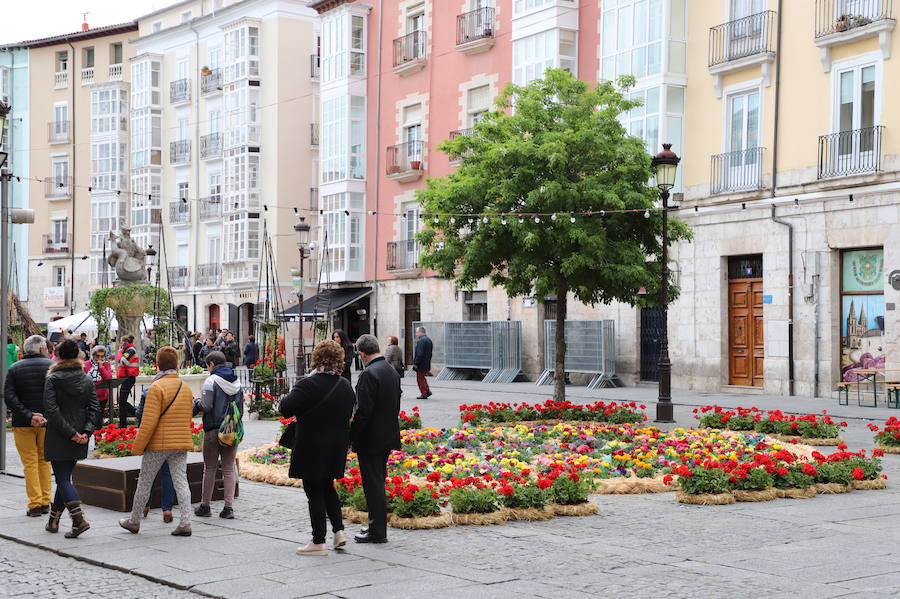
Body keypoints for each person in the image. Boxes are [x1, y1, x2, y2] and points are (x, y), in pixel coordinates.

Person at [280, 341, 355, 556]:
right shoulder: (345, 385)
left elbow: (285, 408)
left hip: (311, 446)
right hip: (336, 447)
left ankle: (318, 541)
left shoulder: (308, 384)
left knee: (313, 491)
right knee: (327, 487)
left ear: (316, 359)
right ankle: (339, 531)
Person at [118, 346, 194, 537]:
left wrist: (137, 447)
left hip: (158, 444)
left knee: (145, 481)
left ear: (158, 365)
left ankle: (134, 521)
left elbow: (148, 421)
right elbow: (189, 416)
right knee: (181, 482)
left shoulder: (156, 387)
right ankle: (185, 522)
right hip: (180, 443)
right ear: (177, 364)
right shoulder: (185, 387)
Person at [43, 338, 100, 537]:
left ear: (58, 356)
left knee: (62, 479)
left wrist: (70, 433)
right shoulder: (86, 379)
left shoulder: (53, 379)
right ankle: (53, 522)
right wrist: (86, 432)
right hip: (80, 435)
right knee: (64, 478)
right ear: (78, 355)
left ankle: (78, 519)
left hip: (60, 435)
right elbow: (94, 408)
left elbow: (51, 410)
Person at [350, 334, 400, 544]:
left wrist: (351, 437)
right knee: (378, 481)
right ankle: (376, 525)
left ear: (362, 353)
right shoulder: (390, 370)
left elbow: (362, 412)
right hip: (387, 434)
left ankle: (377, 531)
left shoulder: (369, 374)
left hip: (371, 439)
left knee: (373, 485)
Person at [4, 335, 54, 516]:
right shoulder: (51, 367)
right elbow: (56, 396)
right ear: (41, 349)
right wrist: (45, 416)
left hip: (23, 423)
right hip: (48, 423)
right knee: (44, 460)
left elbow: (9, 396)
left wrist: (29, 415)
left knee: (30, 463)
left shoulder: (15, 368)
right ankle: (46, 501)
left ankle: (35, 504)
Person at [193, 350, 243, 519]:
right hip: (231, 429)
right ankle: (228, 508)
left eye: (208, 365)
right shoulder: (237, 381)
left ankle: (205, 506)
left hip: (214, 429)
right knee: (229, 468)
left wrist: (196, 403)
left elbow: (206, 406)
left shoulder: (211, 381)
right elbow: (241, 409)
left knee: (210, 468)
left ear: (212, 364)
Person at [135, 366, 177, 524]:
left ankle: (145, 507)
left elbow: (140, 414)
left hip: (153, 439)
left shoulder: (149, 390)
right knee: (167, 473)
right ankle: (167, 509)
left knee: (148, 475)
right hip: (171, 438)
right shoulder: (177, 389)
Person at [84, 346, 112, 426]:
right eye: (97, 356)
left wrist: (101, 367)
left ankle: (98, 436)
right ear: (93, 355)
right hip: (89, 396)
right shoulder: (86, 364)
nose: (99, 358)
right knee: (90, 418)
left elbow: (108, 378)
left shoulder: (106, 364)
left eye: (102, 356)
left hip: (102, 396)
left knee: (99, 419)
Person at [115, 334, 140, 426]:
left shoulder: (130, 350)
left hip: (128, 379)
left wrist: (119, 353)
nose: (121, 344)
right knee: (122, 401)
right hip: (127, 378)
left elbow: (123, 361)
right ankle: (138, 413)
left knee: (121, 402)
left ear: (125, 342)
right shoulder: (128, 350)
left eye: (121, 342)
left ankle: (123, 424)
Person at [412, 326, 433, 400]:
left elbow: (419, 353)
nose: (416, 334)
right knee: (423, 378)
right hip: (426, 363)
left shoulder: (421, 341)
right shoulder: (429, 340)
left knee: (420, 379)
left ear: (421, 332)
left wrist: (416, 363)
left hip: (421, 364)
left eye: (417, 332)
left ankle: (424, 393)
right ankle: (427, 391)